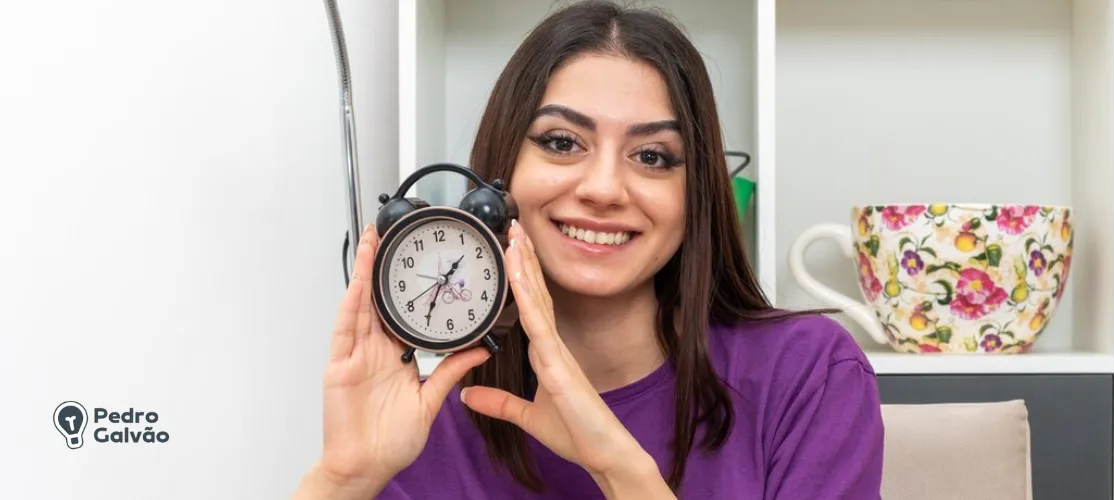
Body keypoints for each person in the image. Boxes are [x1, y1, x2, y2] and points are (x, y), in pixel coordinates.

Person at [291, 2, 885, 499]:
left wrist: (619, 467)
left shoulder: (808, 376)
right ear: (503, 177)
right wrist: (344, 478)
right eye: (561, 142)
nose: (603, 189)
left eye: (652, 156)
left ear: (695, 191)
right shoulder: (425, 418)